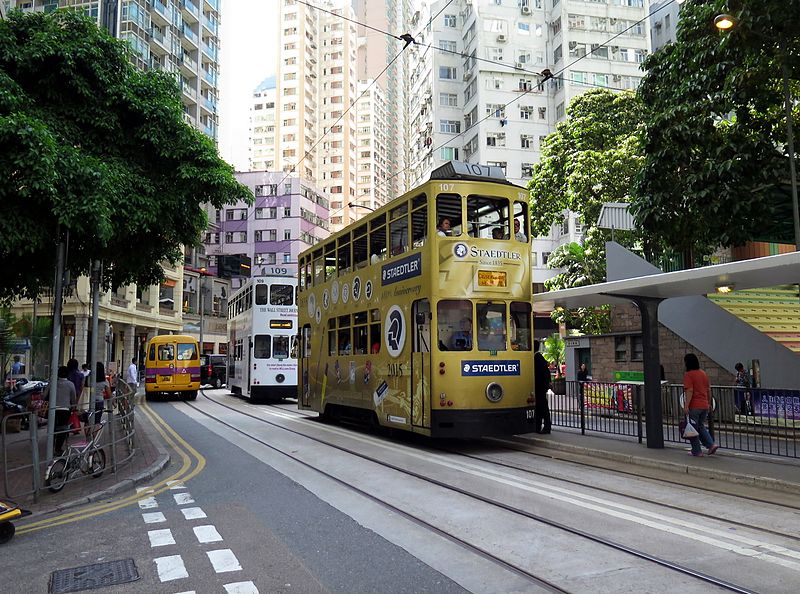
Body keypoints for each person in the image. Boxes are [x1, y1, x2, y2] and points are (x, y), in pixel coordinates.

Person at [683, 353, 719, 456]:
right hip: (704, 405)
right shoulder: (703, 373)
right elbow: (708, 390)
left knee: (692, 428)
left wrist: (686, 405)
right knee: (700, 426)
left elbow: (689, 390)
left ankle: (697, 451)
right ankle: (711, 445)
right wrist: (709, 402)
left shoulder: (688, 375)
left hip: (694, 405)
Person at [46, 366, 77, 455]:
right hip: (65, 410)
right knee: (62, 429)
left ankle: (50, 447)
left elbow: (44, 395)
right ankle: (58, 448)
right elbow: (73, 398)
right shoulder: (70, 384)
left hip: (52, 409)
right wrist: (73, 407)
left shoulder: (52, 383)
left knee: (52, 428)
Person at [533, 340, 552, 434]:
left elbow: (541, 373)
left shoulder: (537, 358)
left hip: (539, 387)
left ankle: (546, 427)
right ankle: (538, 426)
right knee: (540, 408)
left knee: (543, 408)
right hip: (541, 387)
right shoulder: (539, 357)